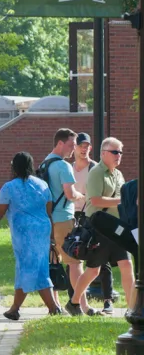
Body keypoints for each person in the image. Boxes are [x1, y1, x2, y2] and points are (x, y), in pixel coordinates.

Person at [67, 137, 136, 315]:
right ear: (104, 153)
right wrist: (123, 201)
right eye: (115, 152)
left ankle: (133, 309)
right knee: (93, 270)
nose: (118, 155)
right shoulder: (96, 172)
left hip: (117, 228)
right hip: (100, 227)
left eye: (120, 152)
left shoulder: (118, 174)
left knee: (127, 265)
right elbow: (96, 200)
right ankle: (74, 302)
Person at [0, 152, 60, 319]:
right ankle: (14, 309)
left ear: (14, 167)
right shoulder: (42, 184)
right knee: (29, 267)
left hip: (24, 233)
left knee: (32, 269)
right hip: (42, 229)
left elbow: (0, 209)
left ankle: (53, 308)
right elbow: (48, 210)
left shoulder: (9, 187)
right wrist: (51, 237)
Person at [43, 128, 100, 315]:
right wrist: (81, 196)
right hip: (64, 219)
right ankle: (80, 306)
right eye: (71, 144)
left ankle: (55, 305)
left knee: (53, 261)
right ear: (60, 143)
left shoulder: (45, 163)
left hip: (47, 219)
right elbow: (69, 193)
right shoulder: (64, 166)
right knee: (75, 263)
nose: (73, 149)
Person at [70, 133, 114, 314]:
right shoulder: (69, 168)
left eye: (87, 145)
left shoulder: (94, 168)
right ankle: (74, 299)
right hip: (73, 215)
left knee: (100, 257)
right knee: (73, 254)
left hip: (93, 216)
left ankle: (108, 299)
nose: (84, 148)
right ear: (74, 147)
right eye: (81, 145)